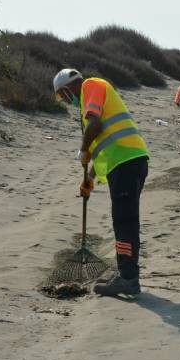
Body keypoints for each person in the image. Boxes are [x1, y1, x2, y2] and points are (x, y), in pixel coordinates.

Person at [52, 68, 150, 296]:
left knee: (124, 222)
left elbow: (95, 126)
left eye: (61, 95)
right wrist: (89, 179)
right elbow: (104, 146)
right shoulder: (88, 98)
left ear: (67, 88)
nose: (65, 101)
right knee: (128, 221)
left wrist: (83, 150)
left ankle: (128, 279)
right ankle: (128, 274)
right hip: (129, 161)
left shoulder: (90, 86)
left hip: (126, 162)